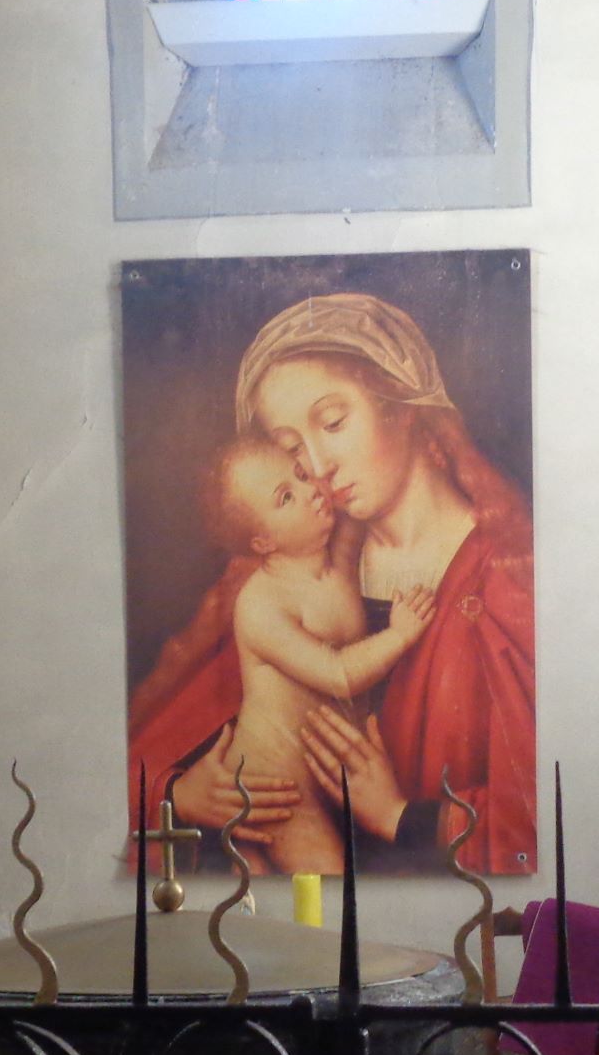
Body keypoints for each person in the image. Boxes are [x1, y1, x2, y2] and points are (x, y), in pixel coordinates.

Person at [129, 291, 536, 875]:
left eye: (333, 422)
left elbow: (529, 821)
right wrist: (177, 796)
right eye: (292, 451)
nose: (316, 468)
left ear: (403, 404)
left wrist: (399, 817)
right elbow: (149, 751)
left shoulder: (504, 585)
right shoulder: (291, 572)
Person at [199, 435, 437, 873]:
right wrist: (401, 635)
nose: (310, 491)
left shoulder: (336, 558)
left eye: (301, 474)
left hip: (324, 783)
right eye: (286, 497)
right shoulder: (262, 604)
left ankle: (248, 866)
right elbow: (338, 675)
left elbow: (368, 509)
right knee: (330, 885)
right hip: (275, 790)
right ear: (263, 542)